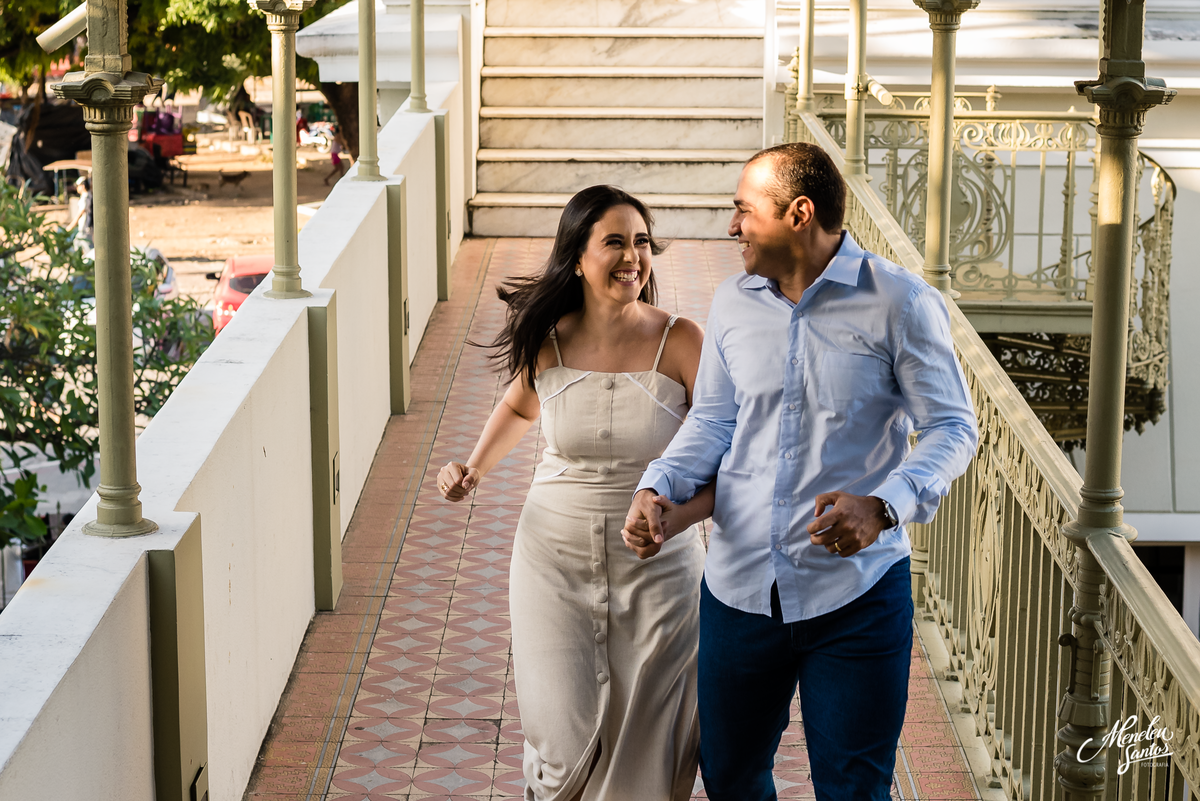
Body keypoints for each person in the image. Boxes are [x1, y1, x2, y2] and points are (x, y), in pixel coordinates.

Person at [622, 142, 979, 801]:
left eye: (743, 211)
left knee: (852, 788)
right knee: (730, 777)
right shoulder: (733, 301)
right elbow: (714, 420)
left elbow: (955, 426)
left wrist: (882, 506)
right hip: (738, 589)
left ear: (799, 213)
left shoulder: (899, 302)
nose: (732, 227)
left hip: (856, 597)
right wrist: (658, 484)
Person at [437, 185, 713, 801]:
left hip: (660, 566)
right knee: (560, 735)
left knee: (650, 734)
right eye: (614, 241)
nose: (632, 256)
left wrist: (682, 516)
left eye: (641, 242)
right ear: (578, 256)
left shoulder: (684, 341)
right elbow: (518, 405)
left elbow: (725, 448)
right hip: (551, 559)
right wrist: (473, 469)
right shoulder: (551, 340)